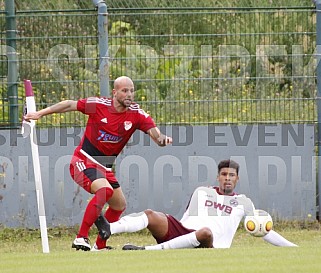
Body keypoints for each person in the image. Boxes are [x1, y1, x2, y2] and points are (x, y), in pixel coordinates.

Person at [24, 76, 173, 251]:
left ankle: (99, 246)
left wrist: (163, 140)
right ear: (115, 92)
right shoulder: (98, 105)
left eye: (132, 91)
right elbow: (70, 104)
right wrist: (40, 113)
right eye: (125, 91)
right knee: (105, 190)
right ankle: (81, 237)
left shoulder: (137, 114)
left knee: (119, 205)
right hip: (83, 160)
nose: (129, 94)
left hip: (105, 167)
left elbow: (156, 136)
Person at [102, 159, 297, 250]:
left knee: (204, 232)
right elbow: (186, 218)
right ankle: (108, 228)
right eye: (224, 174)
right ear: (218, 176)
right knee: (151, 214)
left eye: (231, 175)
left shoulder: (243, 202)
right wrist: (173, 227)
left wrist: (292, 247)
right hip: (183, 234)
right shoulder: (202, 191)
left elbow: (263, 230)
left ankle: (144, 250)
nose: (227, 179)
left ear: (237, 179)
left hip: (209, 244)